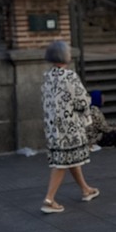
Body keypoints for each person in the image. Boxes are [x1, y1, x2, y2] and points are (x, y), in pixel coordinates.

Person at [40, 40, 100, 213]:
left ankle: (85, 189)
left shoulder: (48, 77)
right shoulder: (69, 76)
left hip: (53, 129)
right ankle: (49, 200)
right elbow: (82, 101)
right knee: (62, 164)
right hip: (70, 129)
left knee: (70, 160)